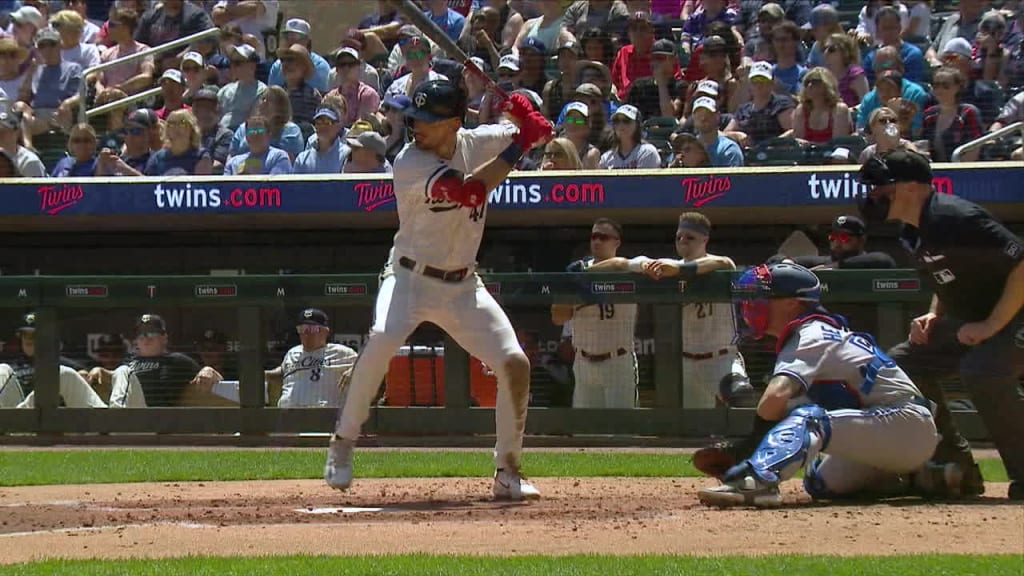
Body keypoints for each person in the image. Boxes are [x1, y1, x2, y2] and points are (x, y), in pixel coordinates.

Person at [323, 79, 552, 500]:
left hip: (463, 285)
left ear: (453, 123)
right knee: (381, 339)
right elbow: (469, 192)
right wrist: (522, 146)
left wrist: (528, 119)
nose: (416, 127)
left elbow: (524, 129)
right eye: (414, 118)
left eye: (428, 120)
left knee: (515, 363)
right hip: (409, 278)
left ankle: (508, 470)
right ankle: (343, 441)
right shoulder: (409, 162)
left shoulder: (474, 141)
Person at [696, 262, 939, 508]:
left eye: (760, 296)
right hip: (890, 433)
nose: (751, 304)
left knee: (808, 419)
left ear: (792, 302)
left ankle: (757, 482)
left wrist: (747, 448)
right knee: (819, 482)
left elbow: (774, 397)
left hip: (904, 422)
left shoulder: (810, 333)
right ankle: (917, 477)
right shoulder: (817, 330)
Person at [857, 148, 1024, 501]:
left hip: (1013, 315)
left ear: (913, 187)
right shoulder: (912, 230)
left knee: (984, 370)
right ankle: (957, 468)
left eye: (882, 187)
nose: (874, 195)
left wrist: (992, 325)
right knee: (900, 365)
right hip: (970, 319)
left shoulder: (954, 216)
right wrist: (936, 313)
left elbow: (1021, 264)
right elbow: (948, 278)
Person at [551, 218, 638, 408]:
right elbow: (557, 317)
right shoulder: (575, 273)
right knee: (586, 432)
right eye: (594, 237)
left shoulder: (626, 269)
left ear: (617, 242)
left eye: (603, 237)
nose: (597, 241)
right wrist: (571, 292)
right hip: (584, 362)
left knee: (621, 431)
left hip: (618, 360)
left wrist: (583, 276)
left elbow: (620, 264)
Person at [89, 313, 223, 407]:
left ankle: (117, 417)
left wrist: (209, 370)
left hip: (152, 417)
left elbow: (217, 381)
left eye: (152, 332)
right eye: (142, 334)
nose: (146, 337)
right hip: (128, 408)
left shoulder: (176, 360)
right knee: (70, 375)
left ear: (164, 338)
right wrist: (99, 372)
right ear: (135, 341)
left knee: (124, 371)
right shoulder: (127, 361)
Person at [0, 312, 107, 409]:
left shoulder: (60, 363)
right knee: (2, 369)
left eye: (33, 335)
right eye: (25, 334)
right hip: (15, 417)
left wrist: (85, 376)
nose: (28, 339)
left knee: (61, 373)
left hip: (48, 419)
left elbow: (83, 377)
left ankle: (106, 423)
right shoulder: (12, 367)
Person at [265, 309, 357, 408]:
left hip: (322, 415)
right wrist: (262, 375)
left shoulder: (342, 352)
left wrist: (354, 371)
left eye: (312, 329)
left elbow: (370, 367)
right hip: (288, 416)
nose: (306, 333)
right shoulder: (292, 352)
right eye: (302, 329)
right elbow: (282, 371)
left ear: (325, 331)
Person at [726, 61, 794, 147]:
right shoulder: (743, 110)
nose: (759, 84)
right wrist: (738, 135)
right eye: (755, 80)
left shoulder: (781, 104)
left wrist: (771, 144)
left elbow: (793, 131)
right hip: (748, 155)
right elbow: (725, 134)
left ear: (772, 83)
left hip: (775, 154)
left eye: (763, 80)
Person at [921, 67, 982, 162]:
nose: (939, 90)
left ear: (958, 87)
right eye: (936, 85)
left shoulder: (968, 112)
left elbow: (974, 148)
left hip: (963, 170)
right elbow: (923, 145)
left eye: (945, 85)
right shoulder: (929, 115)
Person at [793, 214, 898, 270]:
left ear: (861, 240)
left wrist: (834, 267)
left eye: (844, 237)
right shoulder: (823, 262)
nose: (837, 243)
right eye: (833, 237)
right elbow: (779, 259)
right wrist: (787, 263)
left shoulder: (871, 262)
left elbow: (882, 259)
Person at [90, 7, 153, 97]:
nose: (108, 28)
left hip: (130, 103)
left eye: (111, 25)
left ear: (125, 27)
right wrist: (102, 92)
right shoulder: (106, 54)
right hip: (107, 103)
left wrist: (121, 88)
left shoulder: (143, 51)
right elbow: (99, 81)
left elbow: (146, 77)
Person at [862, 5, 926, 85]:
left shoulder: (912, 54)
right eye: (885, 28)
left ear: (899, 27)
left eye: (893, 28)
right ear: (878, 30)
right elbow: (868, 83)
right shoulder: (870, 57)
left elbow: (913, 83)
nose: (889, 32)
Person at [789, 67, 851, 145]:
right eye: (807, 82)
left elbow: (838, 144)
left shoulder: (839, 109)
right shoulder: (801, 109)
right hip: (807, 155)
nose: (809, 85)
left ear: (827, 85)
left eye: (815, 82)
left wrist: (811, 145)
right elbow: (798, 142)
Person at [144, 109, 212, 176]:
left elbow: (201, 185)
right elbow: (147, 185)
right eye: (172, 123)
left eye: (182, 123)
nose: (176, 127)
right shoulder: (157, 158)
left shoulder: (201, 156)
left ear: (191, 129)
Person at [217, 43, 267, 131]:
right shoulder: (224, 90)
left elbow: (254, 122)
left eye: (237, 63)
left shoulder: (262, 91)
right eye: (231, 62)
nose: (232, 66)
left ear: (252, 66)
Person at [95, 108, 156, 176]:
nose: (129, 136)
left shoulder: (155, 160)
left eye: (135, 131)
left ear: (149, 133)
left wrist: (126, 170)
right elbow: (100, 186)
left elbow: (154, 186)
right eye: (125, 131)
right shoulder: (119, 159)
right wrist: (101, 165)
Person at [224, 113, 291, 175]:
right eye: (251, 131)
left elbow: (277, 185)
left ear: (269, 135)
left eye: (259, 130)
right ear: (246, 137)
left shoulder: (278, 157)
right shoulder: (233, 162)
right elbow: (223, 186)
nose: (255, 134)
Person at [599, 104, 660, 169]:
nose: (621, 125)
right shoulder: (606, 158)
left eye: (626, 120)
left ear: (637, 125)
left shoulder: (647, 152)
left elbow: (644, 179)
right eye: (616, 121)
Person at [134, 0, 213, 50]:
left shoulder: (196, 15)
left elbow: (209, 38)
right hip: (155, 68)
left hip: (187, 68)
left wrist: (181, 57)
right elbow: (138, 44)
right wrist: (150, 61)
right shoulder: (149, 17)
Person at [293, 106, 349, 174]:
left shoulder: (347, 155)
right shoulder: (302, 159)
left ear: (337, 125)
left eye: (328, 122)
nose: (323, 126)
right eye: (319, 122)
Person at [278, 42, 321, 126]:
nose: (286, 64)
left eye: (291, 60)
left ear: (304, 67)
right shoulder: (275, 94)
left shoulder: (312, 95)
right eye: (283, 60)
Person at [692, 96, 743, 167]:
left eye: (708, 114)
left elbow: (732, 178)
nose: (703, 118)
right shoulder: (687, 147)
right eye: (699, 114)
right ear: (693, 118)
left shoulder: (728, 149)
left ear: (717, 116)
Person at [821, 33, 868, 108]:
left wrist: (848, 111)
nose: (826, 53)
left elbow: (866, 104)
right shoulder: (823, 76)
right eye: (824, 49)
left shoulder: (855, 75)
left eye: (831, 49)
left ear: (844, 52)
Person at [192, 89, 232, 174]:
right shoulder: (187, 133)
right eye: (198, 108)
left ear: (217, 110)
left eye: (208, 108)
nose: (202, 113)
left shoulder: (224, 135)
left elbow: (217, 164)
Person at [0, 109, 44, 176]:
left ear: (16, 132)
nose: (1, 134)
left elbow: (36, 186)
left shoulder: (30, 161)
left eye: (4, 130)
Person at [558, 101, 600, 168]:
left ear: (588, 124)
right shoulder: (555, 149)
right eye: (570, 119)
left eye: (579, 120)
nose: (573, 123)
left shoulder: (591, 153)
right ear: (564, 123)